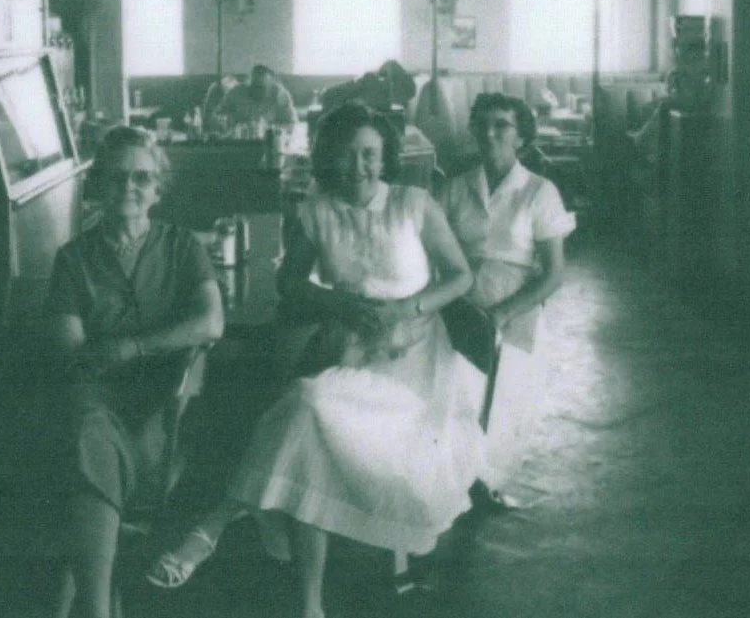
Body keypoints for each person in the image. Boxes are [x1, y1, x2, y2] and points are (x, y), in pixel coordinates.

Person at [144, 103, 485, 618]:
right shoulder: (316, 210)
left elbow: (461, 276)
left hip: (417, 361)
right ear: (330, 160)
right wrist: (339, 304)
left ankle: (214, 525)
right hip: (350, 351)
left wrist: (406, 308)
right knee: (312, 425)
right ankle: (308, 608)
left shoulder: (413, 204)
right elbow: (290, 282)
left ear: (384, 156)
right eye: (347, 156)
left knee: (308, 405)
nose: (359, 167)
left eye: (370, 154)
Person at [46, 126, 225, 618]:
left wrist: (130, 347)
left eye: (142, 177)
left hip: (164, 408)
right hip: (93, 404)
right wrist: (159, 344)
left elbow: (211, 322)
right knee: (89, 434)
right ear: (98, 185)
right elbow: (72, 354)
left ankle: (91, 602)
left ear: (158, 188)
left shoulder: (182, 246)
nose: (130, 187)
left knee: (89, 460)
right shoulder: (73, 259)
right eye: (117, 176)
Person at [439, 93, 574, 511]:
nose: (490, 132)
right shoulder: (456, 188)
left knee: (499, 400)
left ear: (521, 136)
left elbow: (553, 273)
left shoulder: (539, 191)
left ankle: (485, 482)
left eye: (501, 124)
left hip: (513, 305)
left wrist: (500, 314)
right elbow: (433, 251)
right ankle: (450, 481)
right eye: (482, 123)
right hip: (459, 303)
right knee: (454, 394)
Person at [211, 63, 298, 132]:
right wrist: (228, 123)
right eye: (253, 86)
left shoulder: (280, 95)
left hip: (270, 139)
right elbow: (217, 115)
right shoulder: (236, 92)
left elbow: (292, 123)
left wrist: (270, 128)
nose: (257, 91)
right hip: (242, 141)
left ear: (271, 85)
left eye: (262, 87)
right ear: (248, 84)